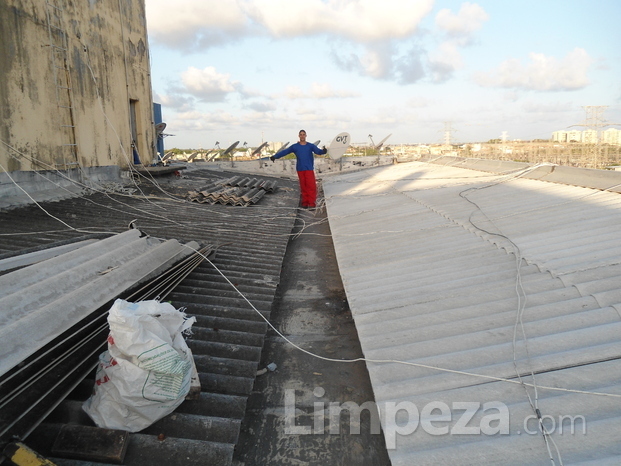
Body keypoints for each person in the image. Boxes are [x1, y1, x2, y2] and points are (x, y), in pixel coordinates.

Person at [270, 130, 327, 208]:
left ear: (306, 136)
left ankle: (311, 204)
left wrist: (323, 151)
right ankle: (305, 203)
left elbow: (318, 151)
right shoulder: (295, 146)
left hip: (309, 169)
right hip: (300, 169)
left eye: (303, 134)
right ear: (299, 136)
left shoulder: (310, 146)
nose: (302, 136)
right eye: (301, 134)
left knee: (311, 186)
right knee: (303, 187)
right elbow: (285, 151)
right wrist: (275, 156)